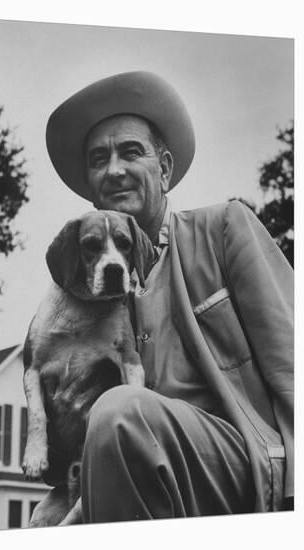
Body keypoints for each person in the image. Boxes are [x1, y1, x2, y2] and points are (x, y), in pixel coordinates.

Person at [44, 71, 293, 522]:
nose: (114, 169)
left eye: (131, 152)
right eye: (99, 158)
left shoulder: (222, 228)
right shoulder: (84, 298)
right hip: (133, 479)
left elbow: (294, 364)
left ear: (164, 168)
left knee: (122, 410)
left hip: (240, 466)